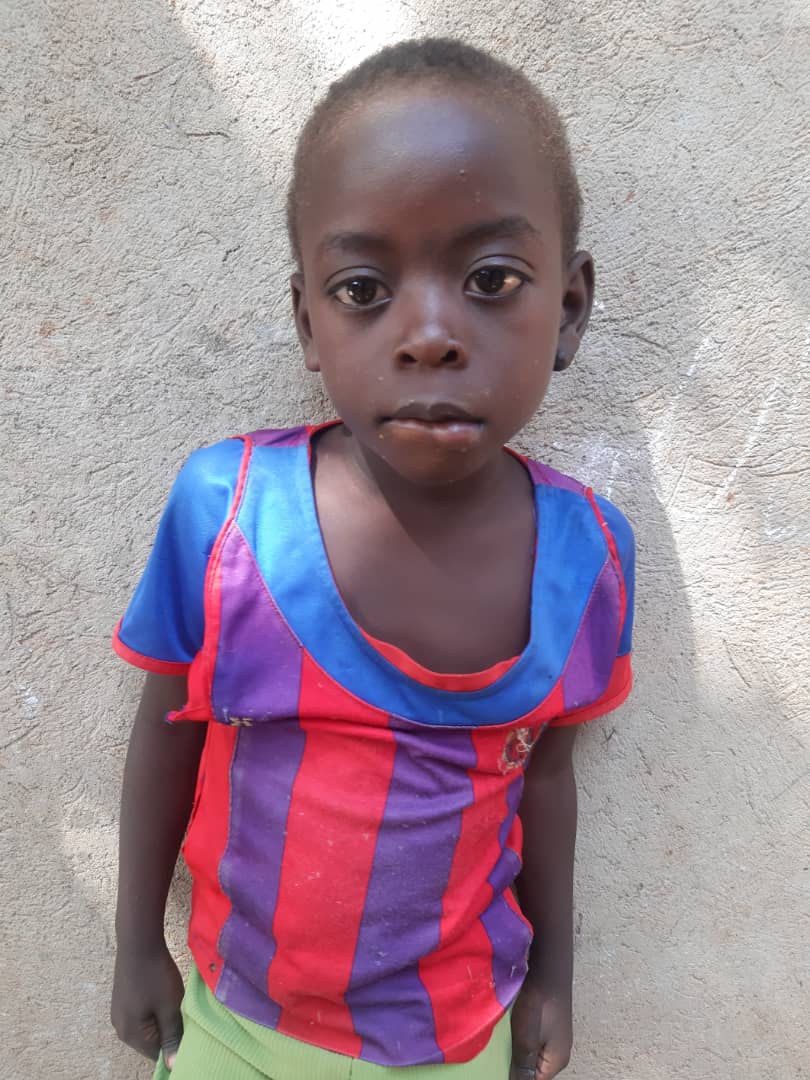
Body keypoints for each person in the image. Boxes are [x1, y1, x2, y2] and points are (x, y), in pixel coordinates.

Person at [110, 37, 635, 1080]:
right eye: (362, 289)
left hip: (459, 1035)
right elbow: (166, 735)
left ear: (569, 309)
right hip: (236, 1023)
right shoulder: (228, 514)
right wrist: (134, 945)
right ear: (308, 322)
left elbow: (548, 775)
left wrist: (555, 977)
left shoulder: (588, 557)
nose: (429, 334)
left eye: (492, 279)